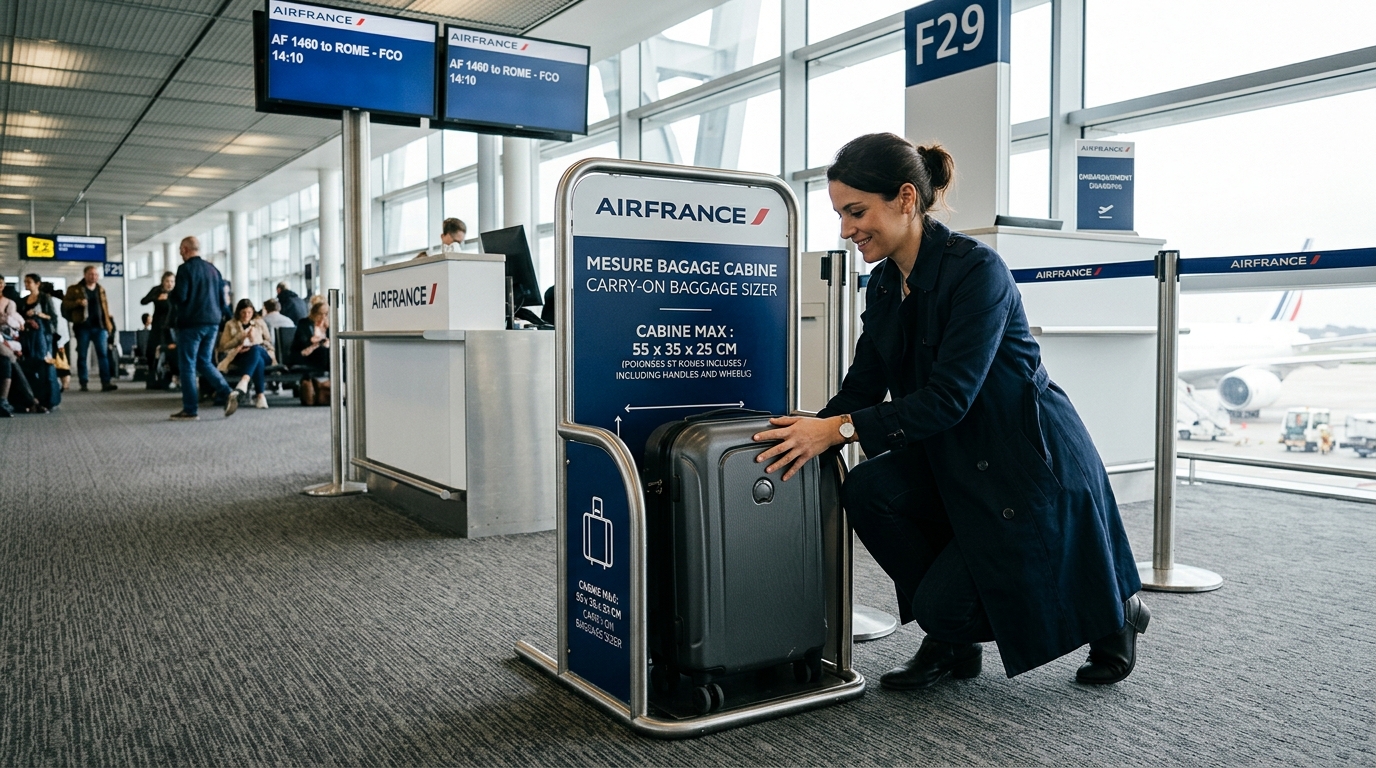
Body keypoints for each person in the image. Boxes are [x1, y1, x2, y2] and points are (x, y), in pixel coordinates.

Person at [751, 133, 1147, 691]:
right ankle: (952, 646)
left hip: (1022, 456)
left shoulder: (977, 270)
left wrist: (836, 431)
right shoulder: (887, 283)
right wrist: (806, 429)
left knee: (955, 602)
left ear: (907, 199)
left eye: (857, 211)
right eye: (840, 213)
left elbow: (949, 397)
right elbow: (864, 385)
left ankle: (1117, 614)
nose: (845, 230)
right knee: (869, 491)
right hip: (953, 450)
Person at [169, 236, 236, 421]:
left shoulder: (185, 269)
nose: (180, 253)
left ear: (184, 249)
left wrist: (170, 295)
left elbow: (180, 297)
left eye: (180, 250)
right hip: (212, 324)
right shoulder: (214, 270)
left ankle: (190, 410)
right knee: (204, 361)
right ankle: (227, 391)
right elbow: (223, 301)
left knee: (187, 366)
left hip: (191, 324)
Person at [61, 265, 118, 392]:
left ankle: (106, 382)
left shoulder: (101, 290)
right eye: (91, 274)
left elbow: (105, 308)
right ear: (85, 275)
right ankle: (83, 382)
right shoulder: (75, 289)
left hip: (100, 327)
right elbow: (65, 305)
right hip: (83, 327)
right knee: (82, 355)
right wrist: (77, 303)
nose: (94, 277)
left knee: (103, 355)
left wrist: (109, 325)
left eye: (96, 275)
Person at [217, 298, 274, 410]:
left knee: (256, 350)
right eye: (243, 312)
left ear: (253, 312)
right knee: (258, 361)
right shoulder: (230, 324)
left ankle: (244, 381)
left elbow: (269, 341)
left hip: (263, 352)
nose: (246, 315)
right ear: (238, 312)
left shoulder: (259, 322)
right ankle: (260, 396)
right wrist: (239, 339)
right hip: (241, 355)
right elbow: (223, 346)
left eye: (249, 312)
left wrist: (257, 341)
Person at [140, 271, 176, 376]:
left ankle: (171, 375)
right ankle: (153, 373)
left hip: (172, 326)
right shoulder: (156, 290)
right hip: (158, 325)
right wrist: (156, 298)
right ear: (163, 282)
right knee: (152, 349)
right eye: (167, 281)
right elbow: (143, 301)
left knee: (171, 350)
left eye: (172, 281)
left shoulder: (176, 293)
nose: (170, 284)